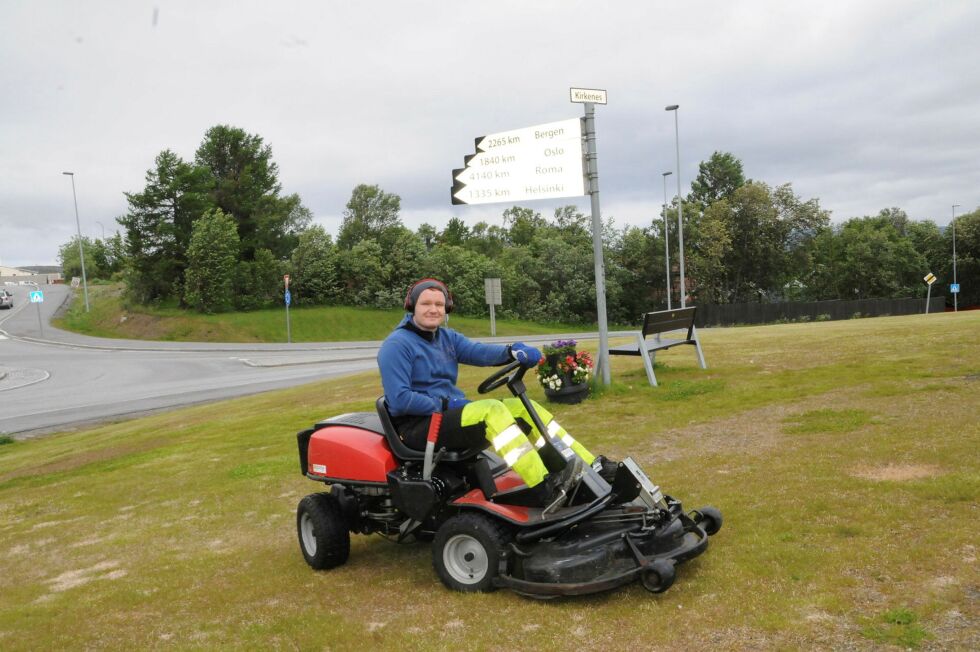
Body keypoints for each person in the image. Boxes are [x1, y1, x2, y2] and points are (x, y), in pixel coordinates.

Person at [377, 278, 603, 503]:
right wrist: (446, 404)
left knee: (523, 406)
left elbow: (480, 352)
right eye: (426, 304)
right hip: (417, 426)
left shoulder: (446, 338)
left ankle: (590, 468)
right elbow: (399, 400)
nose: (433, 309)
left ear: (447, 308)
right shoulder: (397, 345)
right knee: (491, 410)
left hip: (444, 414)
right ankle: (542, 486)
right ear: (412, 306)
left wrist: (512, 351)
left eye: (439, 304)